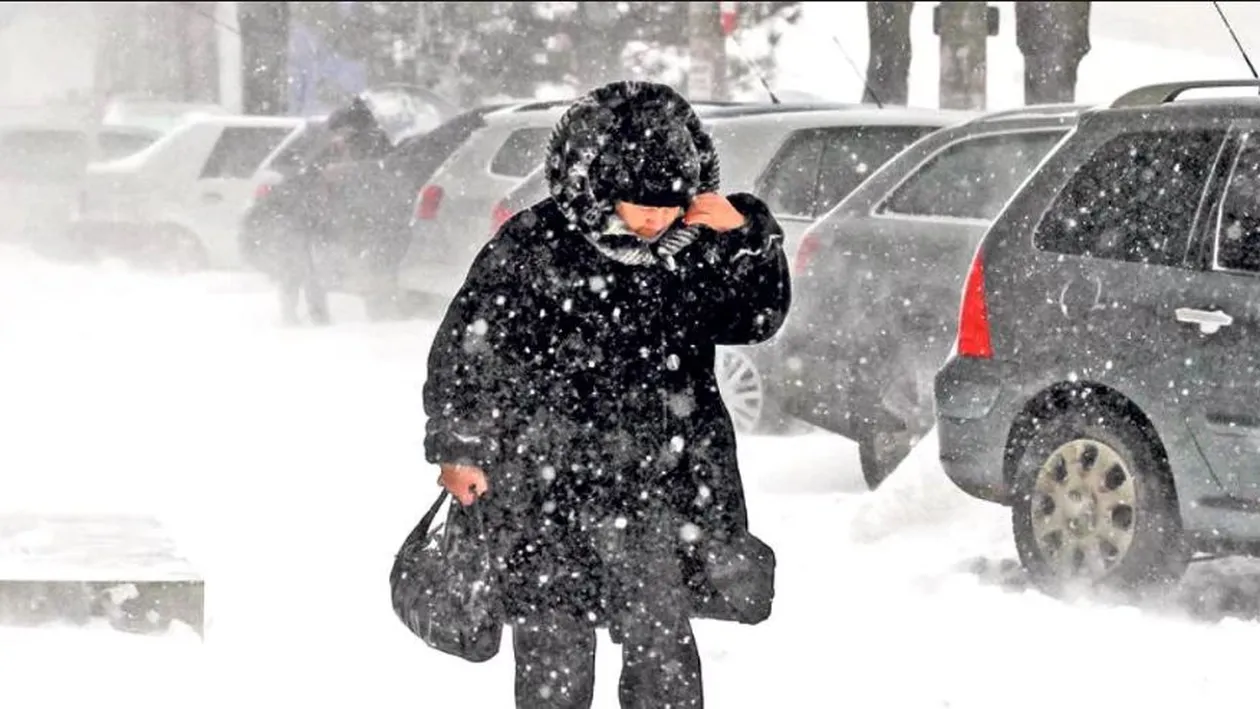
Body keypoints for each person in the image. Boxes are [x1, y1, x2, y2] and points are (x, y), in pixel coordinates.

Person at [421, 80, 791, 709]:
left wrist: (745, 237)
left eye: (669, 206)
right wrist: (459, 447)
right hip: (543, 481)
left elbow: (754, 320)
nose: (653, 221)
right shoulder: (535, 244)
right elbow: (469, 349)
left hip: (659, 481)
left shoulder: (693, 249)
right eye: (638, 205)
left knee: (661, 643)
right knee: (552, 644)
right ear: (597, 188)